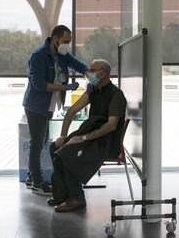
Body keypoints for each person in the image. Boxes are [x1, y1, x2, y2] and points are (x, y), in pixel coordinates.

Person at [48, 59, 127, 212]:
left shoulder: (116, 94)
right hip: (91, 136)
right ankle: (64, 195)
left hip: (105, 142)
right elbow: (71, 112)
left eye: (92, 69)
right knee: (55, 148)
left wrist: (82, 138)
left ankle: (77, 198)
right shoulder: (92, 90)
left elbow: (111, 126)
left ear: (103, 73)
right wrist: (63, 137)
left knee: (66, 153)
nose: (88, 72)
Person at [23, 25, 88, 195]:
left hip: (48, 106)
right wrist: (65, 87)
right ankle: (37, 182)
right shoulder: (38, 56)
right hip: (36, 106)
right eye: (65, 41)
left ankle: (31, 177)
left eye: (69, 41)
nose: (67, 44)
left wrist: (94, 75)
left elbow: (78, 66)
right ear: (55, 38)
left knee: (41, 141)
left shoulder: (62, 54)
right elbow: (38, 84)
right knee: (37, 144)